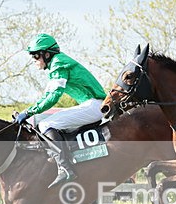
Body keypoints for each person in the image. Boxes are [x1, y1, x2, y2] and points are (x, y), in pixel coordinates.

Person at [15, 33, 107, 188]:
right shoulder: (58, 63)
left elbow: (53, 97)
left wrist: (29, 112)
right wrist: (29, 110)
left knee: (45, 125)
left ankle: (64, 167)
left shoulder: (59, 64)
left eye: (36, 57)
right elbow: (47, 96)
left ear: (46, 54)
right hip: (92, 104)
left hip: (94, 105)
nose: (35, 61)